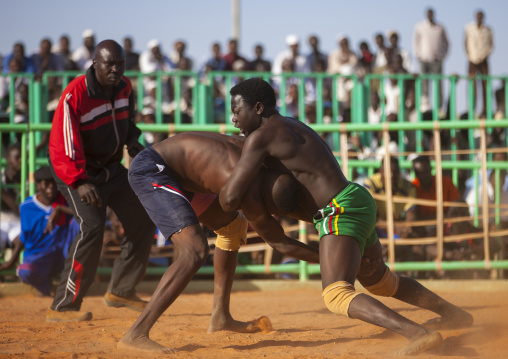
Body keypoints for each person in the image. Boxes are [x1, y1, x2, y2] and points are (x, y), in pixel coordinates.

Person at [220, 78, 473, 356]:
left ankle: (419, 333)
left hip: (339, 208)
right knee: (380, 280)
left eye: (236, 111)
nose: (233, 119)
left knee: (336, 294)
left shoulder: (261, 137)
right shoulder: (292, 124)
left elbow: (230, 198)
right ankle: (454, 314)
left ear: (257, 107)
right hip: (357, 197)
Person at [118, 131, 319, 353]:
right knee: (194, 251)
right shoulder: (239, 186)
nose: (265, 211)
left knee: (232, 228)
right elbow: (280, 243)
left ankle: (221, 317)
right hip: (153, 170)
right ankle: (136, 333)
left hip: (180, 172)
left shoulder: (266, 159)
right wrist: (330, 261)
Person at [46, 40, 156, 322]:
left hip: (109, 168)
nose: (116, 69)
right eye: (110, 64)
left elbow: (127, 120)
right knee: (92, 228)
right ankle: (63, 307)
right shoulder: (75, 95)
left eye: (120, 63)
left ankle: (121, 289)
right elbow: (64, 143)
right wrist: (80, 180)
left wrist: (132, 141)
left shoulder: (124, 87)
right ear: (95, 63)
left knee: (143, 216)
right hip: (75, 172)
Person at [0, 167, 78, 296]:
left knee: (79, 222)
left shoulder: (65, 201)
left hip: (64, 253)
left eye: (54, 183)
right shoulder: (26, 207)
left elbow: (84, 215)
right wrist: (12, 261)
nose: (51, 188)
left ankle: (71, 283)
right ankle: (45, 286)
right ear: (38, 185)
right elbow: (24, 236)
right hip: (40, 255)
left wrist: (59, 209)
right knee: (25, 271)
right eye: (46, 184)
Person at [413, 8, 449, 110]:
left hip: (436, 60)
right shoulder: (420, 27)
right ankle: (425, 106)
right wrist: (418, 55)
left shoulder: (440, 27)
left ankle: (439, 107)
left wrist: (442, 55)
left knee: (438, 84)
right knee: (424, 84)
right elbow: (416, 41)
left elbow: (446, 43)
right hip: (424, 59)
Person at [465, 10, 494, 116]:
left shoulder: (488, 30)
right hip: (472, 60)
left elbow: (491, 45)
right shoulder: (469, 28)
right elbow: (465, 43)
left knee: (485, 85)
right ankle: (472, 108)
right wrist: (471, 55)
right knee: (472, 85)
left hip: (484, 60)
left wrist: (484, 55)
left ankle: (485, 109)